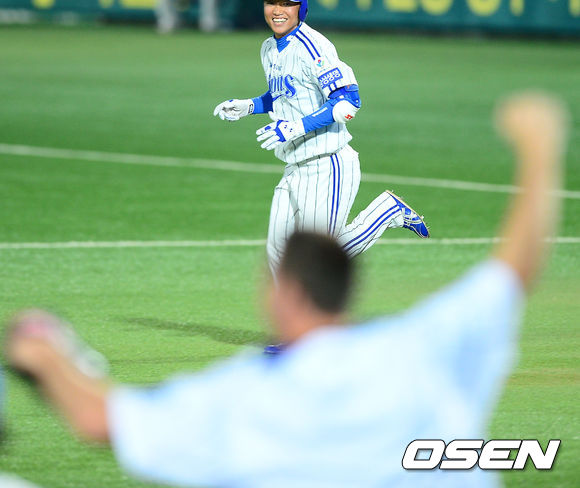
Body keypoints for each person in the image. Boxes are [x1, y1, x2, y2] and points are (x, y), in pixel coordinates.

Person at [4, 92, 569, 486]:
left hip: (323, 160)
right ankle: (384, 212)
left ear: (285, 296)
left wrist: (40, 347)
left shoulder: (242, 396)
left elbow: (100, 420)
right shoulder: (422, 348)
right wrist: (540, 146)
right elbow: (513, 271)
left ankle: (384, 211)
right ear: (347, 291)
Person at [213, 0, 430, 274]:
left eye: (286, 3)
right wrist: (250, 106)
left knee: (319, 260)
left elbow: (348, 101)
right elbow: (285, 93)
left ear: (301, 7)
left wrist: (295, 127)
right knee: (277, 253)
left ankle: (387, 212)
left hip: (327, 165)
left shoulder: (314, 47)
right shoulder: (268, 48)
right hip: (294, 167)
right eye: (271, 2)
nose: (277, 10)